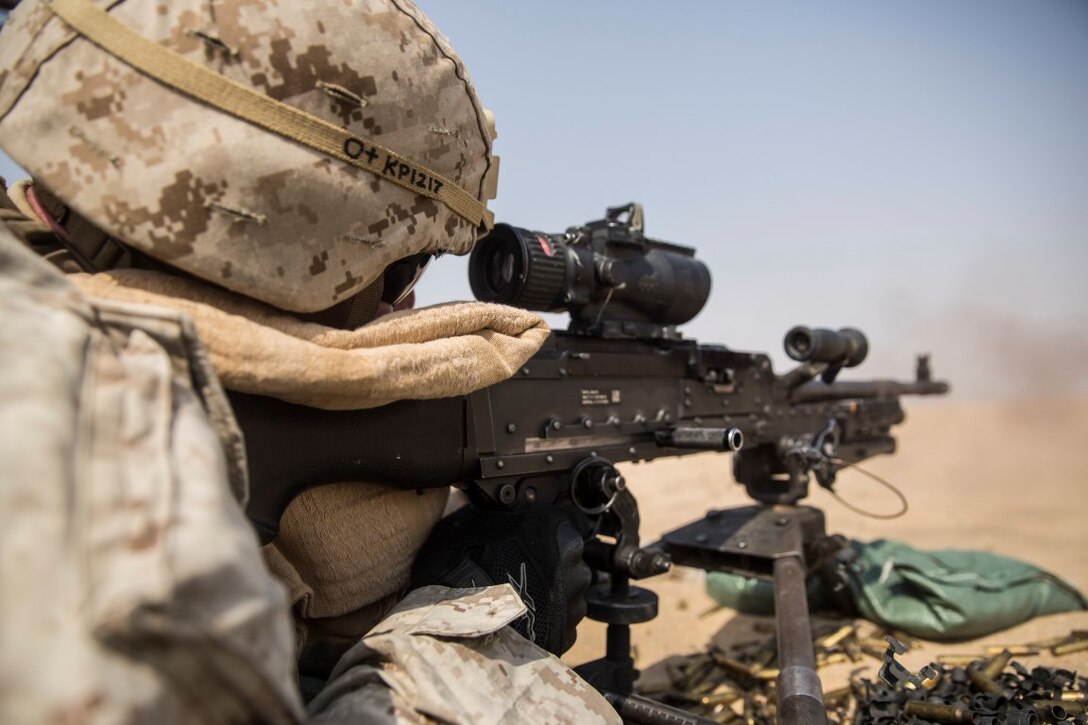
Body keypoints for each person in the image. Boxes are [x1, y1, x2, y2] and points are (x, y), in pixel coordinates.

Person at [0, 0, 619, 721]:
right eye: (403, 266)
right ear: (291, 242)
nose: (408, 307)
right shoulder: (94, 459)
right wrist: (479, 635)